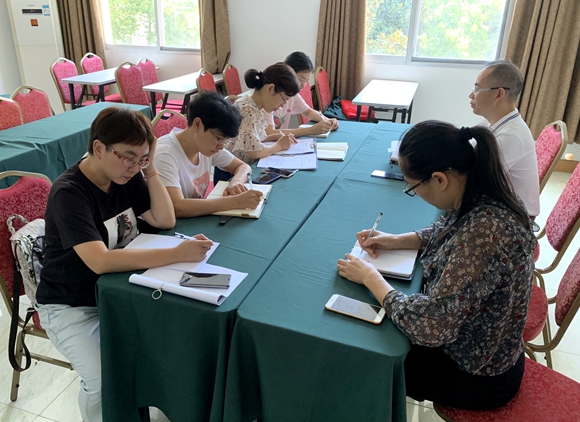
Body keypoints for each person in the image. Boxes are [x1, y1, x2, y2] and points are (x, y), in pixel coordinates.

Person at [337, 121, 536, 410]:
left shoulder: (484, 232)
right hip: (488, 349)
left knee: (359, 356)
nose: (416, 194)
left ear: (440, 179)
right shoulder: (483, 190)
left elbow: (431, 326)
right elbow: (448, 229)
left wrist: (371, 278)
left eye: (413, 188)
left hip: (476, 374)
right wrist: (397, 240)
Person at [35, 107, 214, 422]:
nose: (134, 167)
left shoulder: (124, 174)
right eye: (129, 158)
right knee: (103, 378)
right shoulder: (69, 192)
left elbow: (165, 218)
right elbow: (100, 260)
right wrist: (178, 253)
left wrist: (150, 168)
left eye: (142, 158)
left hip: (120, 293)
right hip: (71, 304)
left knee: (170, 348)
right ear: (99, 148)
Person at [154, 91, 264, 218]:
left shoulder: (204, 145)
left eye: (224, 141)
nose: (221, 146)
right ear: (197, 124)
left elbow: (243, 167)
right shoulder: (165, 154)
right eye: (219, 139)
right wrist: (235, 202)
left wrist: (236, 181)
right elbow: (177, 207)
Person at [469, 59, 540, 217]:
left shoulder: (511, 136)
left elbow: (472, 180)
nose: (471, 95)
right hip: (496, 207)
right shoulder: (496, 123)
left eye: (477, 89)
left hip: (511, 219)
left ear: (499, 94)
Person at [217, 62, 300, 182]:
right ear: (270, 89)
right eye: (284, 100)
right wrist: (278, 146)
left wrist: (274, 136)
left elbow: (248, 140)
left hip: (238, 170)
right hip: (230, 174)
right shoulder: (248, 110)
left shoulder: (252, 105)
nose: (282, 106)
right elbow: (254, 152)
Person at [262, 51, 339, 137]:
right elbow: (268, 133)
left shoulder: (293, 95)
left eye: (306, 81)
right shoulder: (270, 96)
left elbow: (307, 111)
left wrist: (327, 121)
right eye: (300, 80)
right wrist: (309, 130)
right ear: (288, 73)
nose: (302, 86)